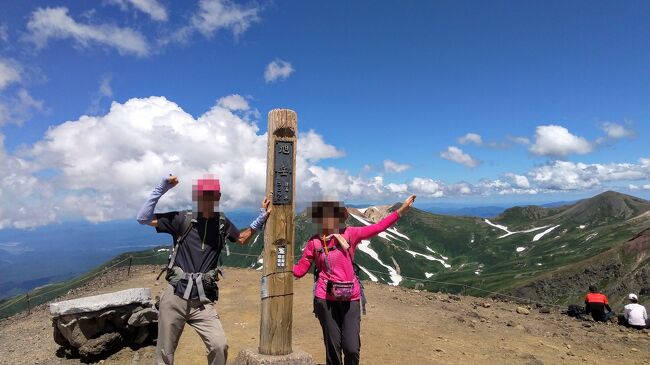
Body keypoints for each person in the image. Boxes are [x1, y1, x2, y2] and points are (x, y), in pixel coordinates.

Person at [136, 174, 271, 365]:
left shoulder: (222, 223)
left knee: (219, 346)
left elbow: (240, 239)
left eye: (211, 195)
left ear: (218, 197)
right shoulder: (182, 218)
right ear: (196, 197)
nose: (206, 200)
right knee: (165, 354)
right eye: (202, 195)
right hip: (175, 296)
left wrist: (260, 219)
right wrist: (161, 189)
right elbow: (143, 218)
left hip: (203, 300)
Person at [293, 195, 416, 365]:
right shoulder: (314, 242)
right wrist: (281, 265)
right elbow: (300, 271)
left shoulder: (350, 234)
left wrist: (400, 211)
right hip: (325, 300)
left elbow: (378, 227)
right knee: (333, 348)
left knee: (351, 348)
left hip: (351, 298)